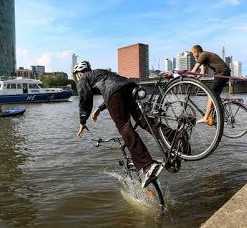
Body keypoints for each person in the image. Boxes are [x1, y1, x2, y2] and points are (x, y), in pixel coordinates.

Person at [74, 61, 173, 189]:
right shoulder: (101, 72)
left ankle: (147, 164)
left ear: (80, 73)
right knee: (143, 121)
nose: (77, 78)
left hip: (115, 92)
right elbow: (115, 88)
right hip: (129, 86)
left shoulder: (83, 78)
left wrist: (82, 121)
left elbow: (85, 99)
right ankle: (174, 138)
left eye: (76, 75)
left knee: (124, 127)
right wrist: (99, 109)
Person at [190, 45, 231, 123]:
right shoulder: (205, 56)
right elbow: (202, 73)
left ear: (197, 52)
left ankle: (205, 117)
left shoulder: (203, 55)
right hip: (223, 72)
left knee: (211, 94)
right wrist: (196, 78)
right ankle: (214, 116)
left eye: (193, 53)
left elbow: (194, 70)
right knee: (215, 96)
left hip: (221, 73)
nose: (193, 55)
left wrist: (186, 76)